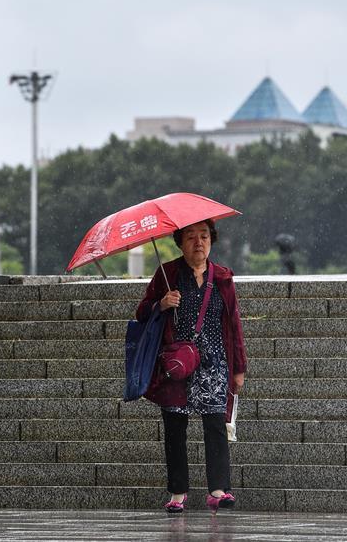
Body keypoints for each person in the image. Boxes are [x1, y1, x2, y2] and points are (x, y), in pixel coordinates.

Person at [135, 219, 247, 514]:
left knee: (215, 425)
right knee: (175, 427)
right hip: (177, 362)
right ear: (180, 242)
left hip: (214, 363)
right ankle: (177, 493)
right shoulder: (167, 274)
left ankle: (219, 490)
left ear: (212, 240)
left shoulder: (222, 277)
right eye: (191, 237)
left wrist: (239, 368)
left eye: (204, 236)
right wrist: (161, 303)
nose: (199, 242)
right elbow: (142, 311)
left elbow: (234, 324)